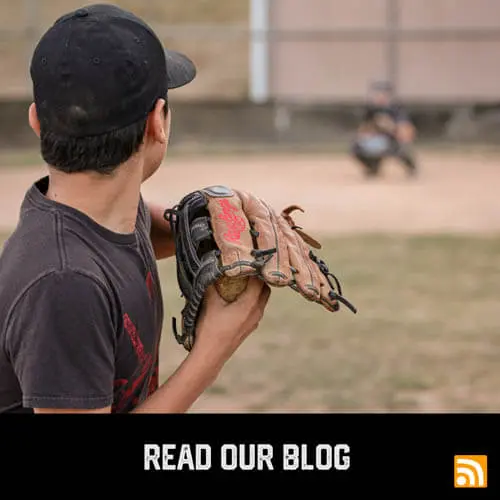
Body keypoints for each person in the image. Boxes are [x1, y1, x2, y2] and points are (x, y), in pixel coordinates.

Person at [0, 4, 271, 414]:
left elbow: (128, 237)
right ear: (157, 123)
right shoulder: (64, 284)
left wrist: (196, 227)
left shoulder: (100, 210)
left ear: (37, 121)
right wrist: (216, 347)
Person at [351, 81, 418, 178]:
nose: (380, 96)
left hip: (392, 138)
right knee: (357, 147)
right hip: (376, 138)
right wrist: (366, 134)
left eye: (383, 94)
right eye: (377, 94)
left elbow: (404, 127)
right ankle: (372, 167)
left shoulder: (396, 110)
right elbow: (363, 128)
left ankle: (410, 167)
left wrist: (391, 128)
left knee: (400, 149)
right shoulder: (370, 110)